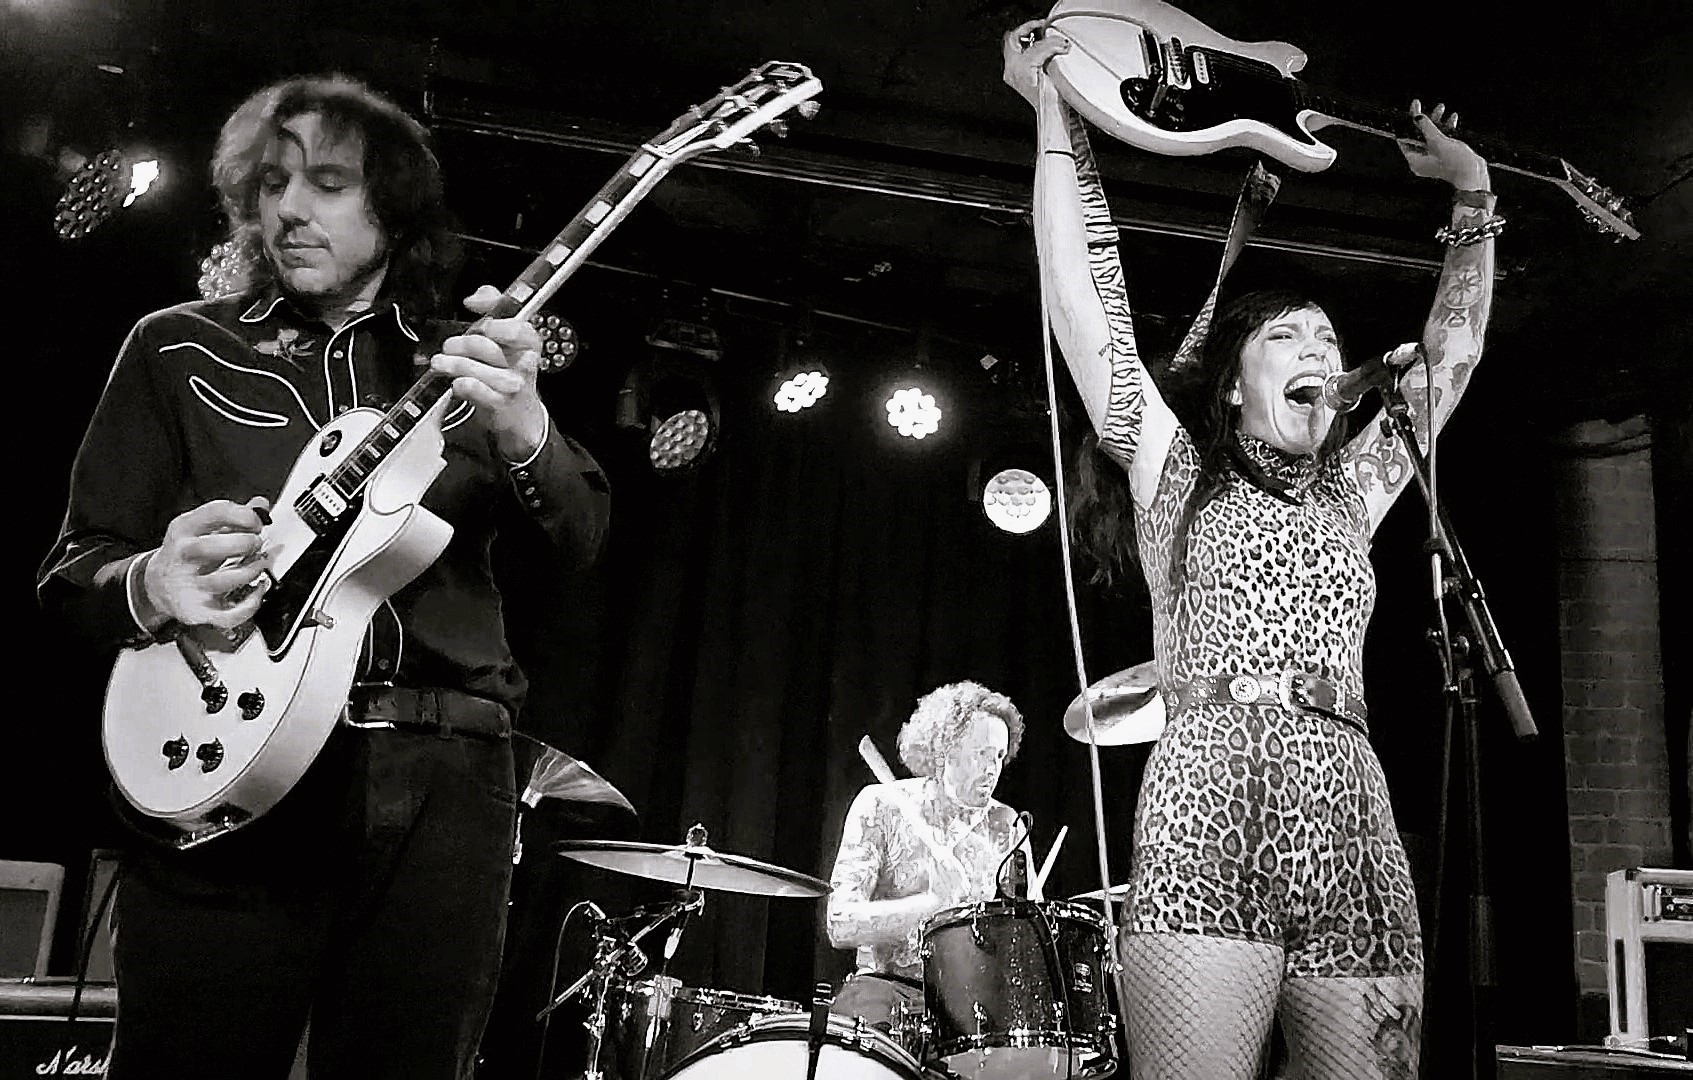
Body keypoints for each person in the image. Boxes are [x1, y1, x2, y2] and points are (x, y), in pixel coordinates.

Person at [36, 74, 611, 1078]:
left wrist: (526, 425)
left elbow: (582, 538)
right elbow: (72, 568)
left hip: (443, 780)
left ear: (393, 204)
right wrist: (152, 583)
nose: (290, 209)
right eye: (272, 183)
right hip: (228, 763)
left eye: (329, 182)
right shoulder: (178, 346)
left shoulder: (464, 366)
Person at [1003, 21, 1497, 1080]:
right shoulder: (1177, 472)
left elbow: (1450, 359)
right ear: (1233, 384)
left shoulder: (1355, 487)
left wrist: (1472, 197)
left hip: (1351, 809)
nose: (1318, 347)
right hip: (1208, 802)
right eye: (1287, 336)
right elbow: (1086, 305)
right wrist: (1053, 115)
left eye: (1328, 338)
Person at [824, 680, 1028, 1032]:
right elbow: (839, 923)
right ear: (945, 749)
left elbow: (1026, 941)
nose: (992, 768)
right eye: (981, 753)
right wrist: (929, 905)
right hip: (885, 990)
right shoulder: (881, 805)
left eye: (998, 756)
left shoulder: (1007, 826)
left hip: (971, 1005)